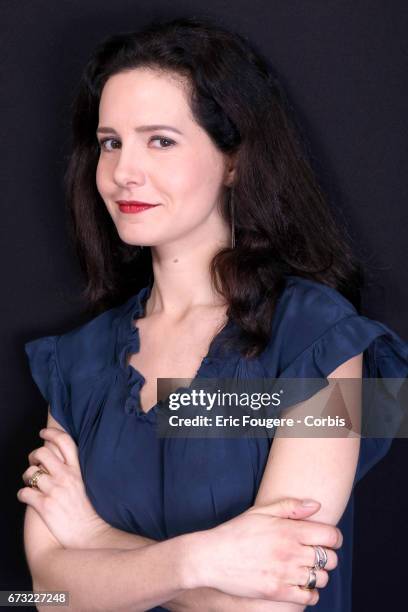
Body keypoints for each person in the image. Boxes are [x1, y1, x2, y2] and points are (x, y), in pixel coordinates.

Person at [18, 16, 408, 612]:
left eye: (161, 140)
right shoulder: (76, 359)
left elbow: (272, 602)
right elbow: (42, 593)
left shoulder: (323, 338)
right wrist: (200, 561)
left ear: (233, 161)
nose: (123, 171)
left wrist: (95, 542)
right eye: (110, 142)